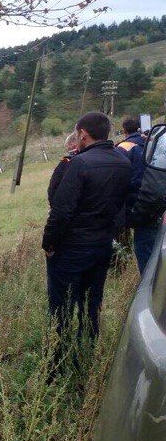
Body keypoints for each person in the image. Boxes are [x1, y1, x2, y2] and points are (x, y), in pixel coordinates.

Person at [42, 112, 132, 375]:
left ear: (83, 134)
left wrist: (49, 243)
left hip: (71, 248)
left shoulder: (79, 164)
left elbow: (62, 210)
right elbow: (120, 209)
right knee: (91, 305)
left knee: (61, 309)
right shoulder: (123, 162)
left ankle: (56, 367)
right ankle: (87, 358)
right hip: (102, 246)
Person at [118, 117, 155, 273]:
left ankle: (146, 283)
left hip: (133, 202)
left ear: (124, 131)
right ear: (139, 128)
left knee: (138, 243)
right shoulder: (152, 142)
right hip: (155, 199)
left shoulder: (123, 147)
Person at [128, 125, 166, 266]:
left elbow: (154, 191)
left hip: (153, 221)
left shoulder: (162, 140)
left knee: (152, 278)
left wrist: (136, 218)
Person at [47, 132, 80, 207]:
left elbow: (53, 188)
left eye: (68, 146)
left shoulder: (66, 162)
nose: (67, 149)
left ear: (73, 144)